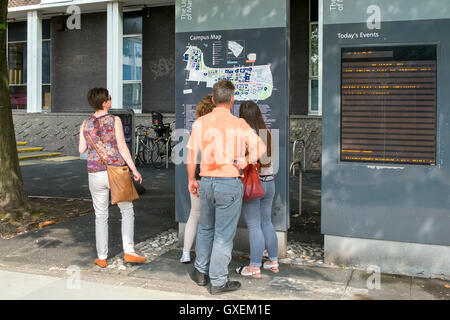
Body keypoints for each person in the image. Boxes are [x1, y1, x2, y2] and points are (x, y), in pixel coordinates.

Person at [186, 80, 266, 295]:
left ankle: (200, 271)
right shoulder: (238, 124)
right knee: (223, 235)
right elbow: (261, 147)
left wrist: (191, 180)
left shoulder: (201, 122)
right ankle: (218, 281)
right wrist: (245, 160)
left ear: (213, 100)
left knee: (205, 228)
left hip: (207, 181)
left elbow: (191, 155)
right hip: (228, 183)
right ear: (232, 100)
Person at [78, 87, 147, 268]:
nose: (110, 100)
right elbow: (123, 148)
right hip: (116, 171)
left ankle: (101, 256)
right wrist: (134, 170)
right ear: (104, 102)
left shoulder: (85, 124)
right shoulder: (114, 120)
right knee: (127, 210)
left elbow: (81, 149)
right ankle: (129, 252)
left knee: (100, 215)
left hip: (94, 173)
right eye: (109, 98)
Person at [235, 101, 279, 279]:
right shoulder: (267, 132)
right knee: (266, 222)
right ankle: (273, 261)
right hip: (270, 182)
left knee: (254, 225)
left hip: (255, 184)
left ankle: (254, 266)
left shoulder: (247, 135)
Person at [180, 94, 215, 263]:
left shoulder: (197, 125)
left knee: (194, 214)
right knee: (213, 219)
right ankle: (207, 257)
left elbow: (191, 155)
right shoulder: (223, 124)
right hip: (218, 175)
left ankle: (186, 253)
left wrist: (191, 178)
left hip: (200, 174)